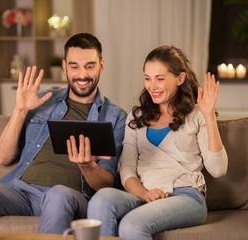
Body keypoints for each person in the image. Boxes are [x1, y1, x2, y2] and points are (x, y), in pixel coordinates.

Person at [0, 33, 127, 234]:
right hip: (20, 191)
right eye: (74, 66)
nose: (82, 75)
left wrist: (87, 165)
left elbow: (106, 184)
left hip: (68, 196)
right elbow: (2, 157)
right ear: (64, 67)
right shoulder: (43, 101)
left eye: (89, 66)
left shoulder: (115, 116)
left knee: (58, 194)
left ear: (101, 66)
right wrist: (20, 110)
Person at [87, 45, 228, 240]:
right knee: (100, 200)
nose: (152, 86)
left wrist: (209, 115)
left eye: (160, 79)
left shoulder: (197, 115)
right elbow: (126, 167)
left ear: (180, 78)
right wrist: (144, 193)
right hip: (144, 194)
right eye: (147, 78)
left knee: (131, 225)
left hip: (185, 196)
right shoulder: (136, 117)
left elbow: (218, 169)